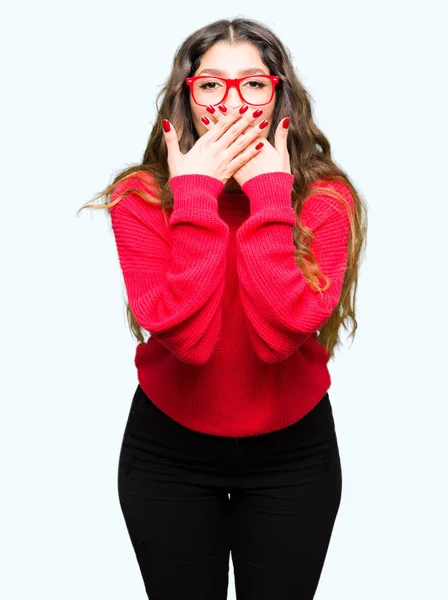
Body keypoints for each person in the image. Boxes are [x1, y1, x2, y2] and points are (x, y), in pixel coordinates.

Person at [78, 16, 367, 600]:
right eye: (211, 84)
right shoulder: (140, 196)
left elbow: (279, 337)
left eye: (253, 84)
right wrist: (194, 194)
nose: (232, 102)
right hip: (168, 452)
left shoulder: (327, 199)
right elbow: (189, 341)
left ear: (277, 94)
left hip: (293, 454)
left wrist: (267, 193)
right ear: (187, 98)